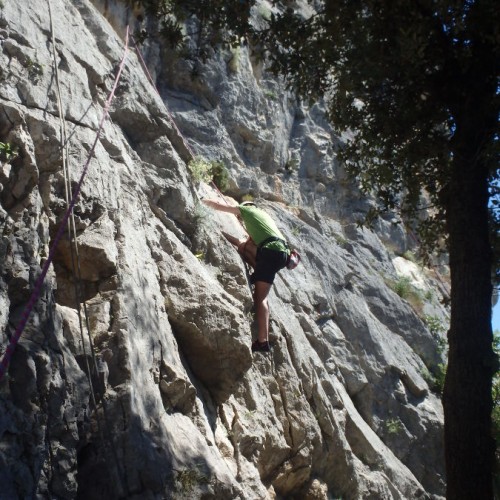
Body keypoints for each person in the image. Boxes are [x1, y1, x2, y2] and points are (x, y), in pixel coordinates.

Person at [202, 198, 290, 352]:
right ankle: (264, 339)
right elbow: (243, 245)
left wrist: (202, 200)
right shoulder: (263, 219)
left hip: (270, 252)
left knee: (260, 298)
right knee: (262, 294)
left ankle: (263, 341)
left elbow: (219, 206)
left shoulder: (248, 210)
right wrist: (223, 234)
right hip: (280, 254)